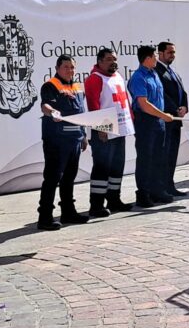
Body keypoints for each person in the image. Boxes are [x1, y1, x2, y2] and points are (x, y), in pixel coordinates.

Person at [37, 55, 89, 231]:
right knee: (52, 178)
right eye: (66, 67)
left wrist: (83, 135)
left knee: (69, 178)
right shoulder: (50, 86)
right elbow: (45, 106)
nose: (70, 70)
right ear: (57, 68)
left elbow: (81, 113)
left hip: (74, 140)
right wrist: (52, 112)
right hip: (56, 141)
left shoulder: (76, 87)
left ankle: (68, 212)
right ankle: (45, 217)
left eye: (72, 67)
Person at [127, 45, 183, 208]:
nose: (157, 59)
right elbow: (143, 104)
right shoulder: (138, 77)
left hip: (159, 122)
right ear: (147, 58)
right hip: (146, 122)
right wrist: (163, 115)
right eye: (154, 56)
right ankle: (143, 194)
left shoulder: (154, 75)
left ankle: (157, 190)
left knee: (159, 157)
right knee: (146, 158)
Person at [83, 48, 134, 218]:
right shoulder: (94, 79)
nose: (113, 62)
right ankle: (96, 205)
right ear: (99, 61)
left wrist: (131, 122)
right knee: (102, 167)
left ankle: (114, 200)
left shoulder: (118, 76)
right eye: (109, 59)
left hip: (120, 129)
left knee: (117, 166)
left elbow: (125, 100)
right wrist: (100, 128)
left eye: (115, 58)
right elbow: (93, 104)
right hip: (104, 132)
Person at [155, 41, 189, 198]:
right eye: (169, 53)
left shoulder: (173, 71)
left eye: (174, 52)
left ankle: (170, 184)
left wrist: (184, 106)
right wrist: (175, 108)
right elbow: (162, 95)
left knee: (172, 154)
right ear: (160, 53)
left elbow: (183, 91)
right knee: (164, 155)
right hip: (167, 118)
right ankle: (162, 187)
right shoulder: (157, 71)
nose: (172, 56)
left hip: (176, 120)